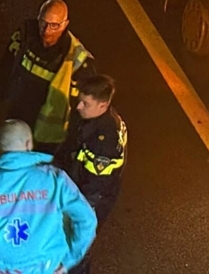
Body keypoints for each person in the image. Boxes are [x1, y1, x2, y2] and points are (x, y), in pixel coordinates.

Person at [0, 120, 97, 274]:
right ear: (28, 144)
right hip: (45, 267)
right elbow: (87, 220)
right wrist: (69, 260)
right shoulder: (55, 180)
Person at [0, 0, 94, 153]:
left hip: (49, 134)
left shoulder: (77, 58)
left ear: (65, 24)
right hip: (18, 114)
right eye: (43, 22)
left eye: (54, 26)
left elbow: (83, 105)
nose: (46, 30)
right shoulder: (25, 35)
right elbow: (5, 66)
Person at [53, 75, 128, 274]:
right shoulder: (92, 119)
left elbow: (95, 186)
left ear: (103, 105)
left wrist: (74, 208)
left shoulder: (105, 140)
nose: (78, 107)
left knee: (80, 243)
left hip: (93, 199)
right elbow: (71, 147)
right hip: (81, 187)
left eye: (85, 103)